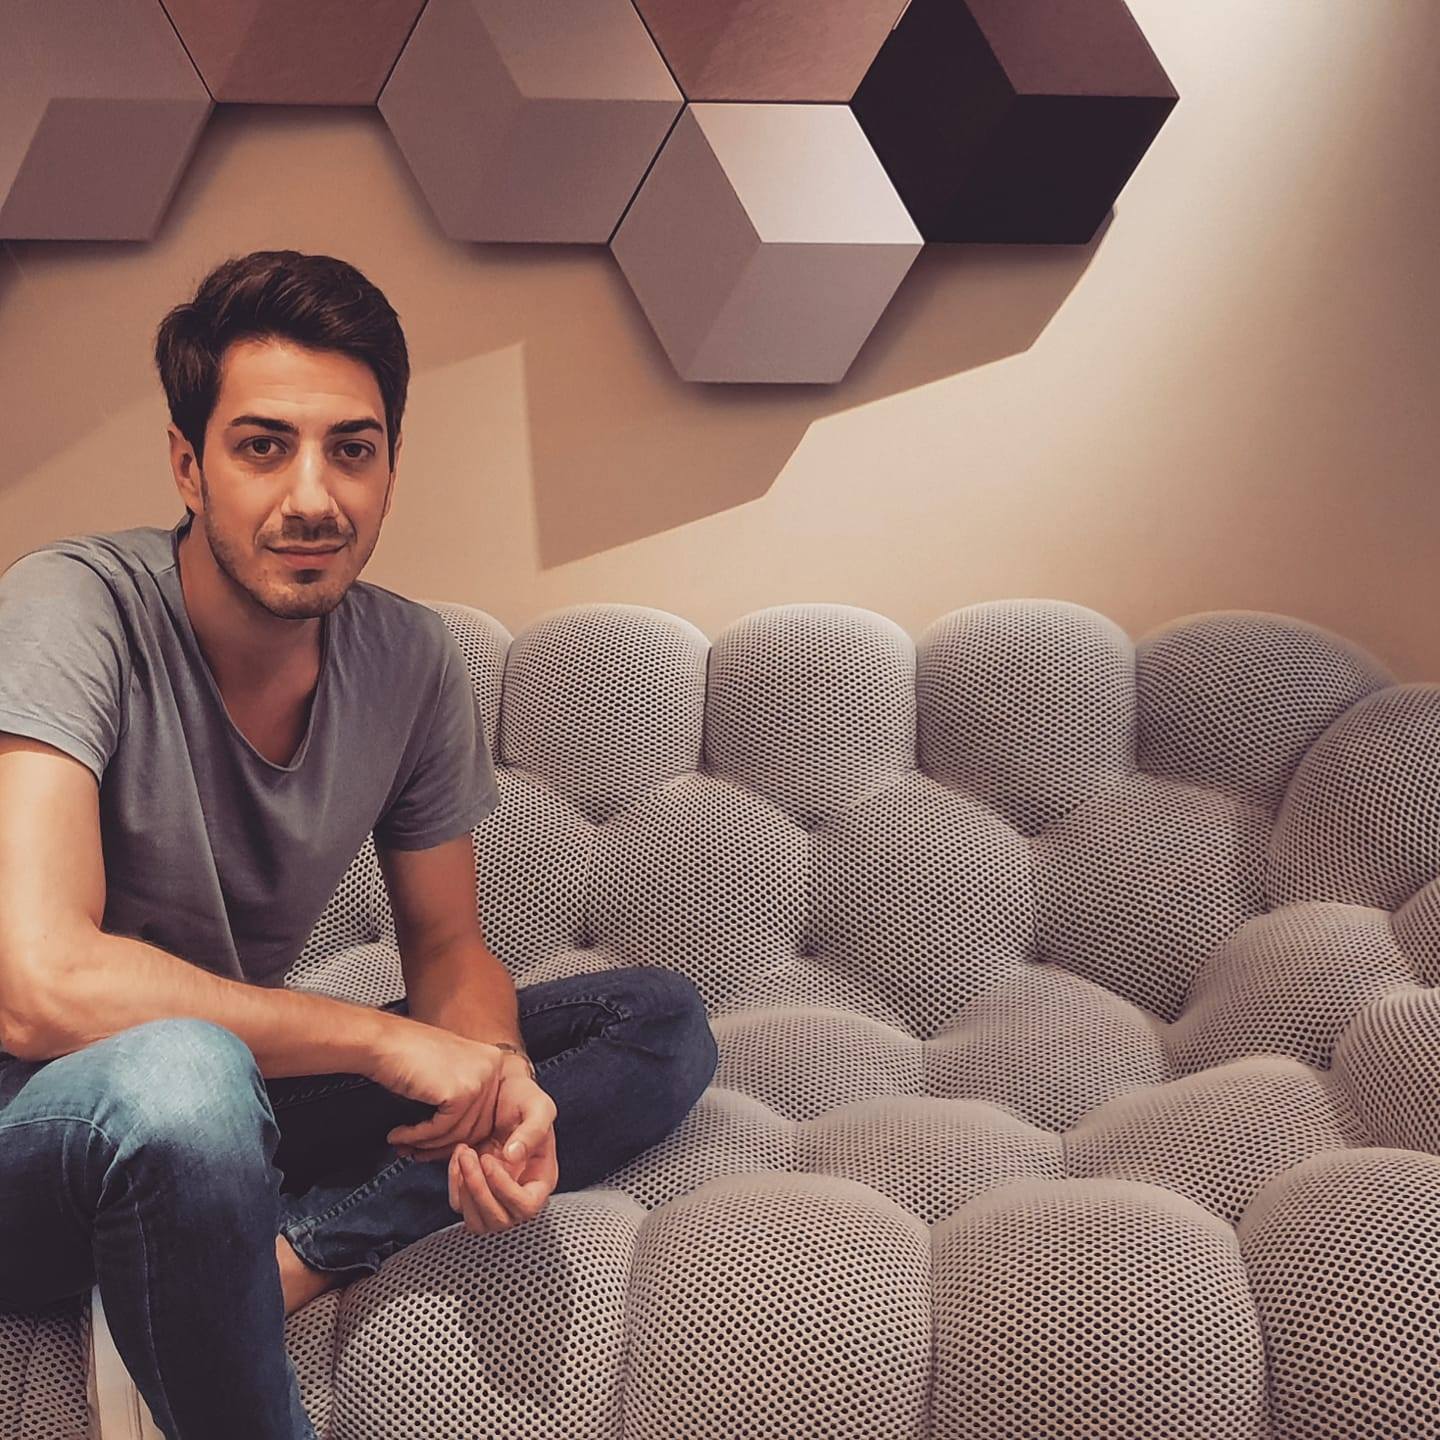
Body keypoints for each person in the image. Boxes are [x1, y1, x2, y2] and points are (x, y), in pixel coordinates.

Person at [0, 250, 718, 1439]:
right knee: (186, 1073)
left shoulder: (411, 661)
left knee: (655, 1022)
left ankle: (276, 1259)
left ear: (390, 468)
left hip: (223, 1118)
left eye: (352, 449)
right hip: (33, 1134)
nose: (313, 497)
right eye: (262, 446)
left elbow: (447, 949)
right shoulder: (72, 608)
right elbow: (38, 987)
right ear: (187, 464)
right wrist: (386, 1045)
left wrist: (497, 1079)